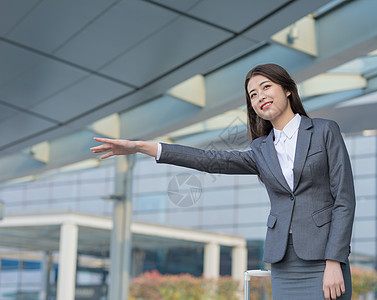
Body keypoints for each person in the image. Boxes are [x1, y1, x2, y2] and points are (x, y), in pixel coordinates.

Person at [90, 63, 355, 300]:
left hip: (324, 257)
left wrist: (334, 260)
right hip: (284, 260)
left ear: (287, 89)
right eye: (253, 94)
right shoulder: (262, 149)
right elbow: (209, 160)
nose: (260, 96)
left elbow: (343, 200)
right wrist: (141, 147)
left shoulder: (323, 130)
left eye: (266, 87)